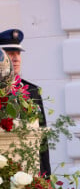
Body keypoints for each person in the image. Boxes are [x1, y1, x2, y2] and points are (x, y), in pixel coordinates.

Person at [0, 28, 50, 176]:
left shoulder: (32, 91)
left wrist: (45, 176)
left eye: (18, 53)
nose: (16, 58)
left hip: (29, 170)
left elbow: (42, 139)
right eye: (10, 53)